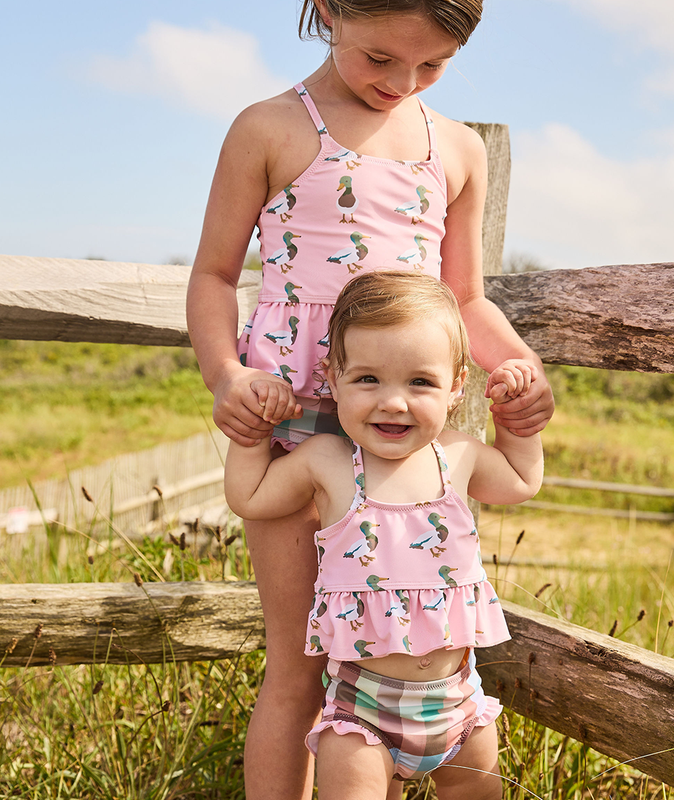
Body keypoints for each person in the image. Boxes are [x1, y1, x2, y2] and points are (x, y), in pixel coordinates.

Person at [186, 2, 554, 797]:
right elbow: (214, 274)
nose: (404, 82)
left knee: (392, 640)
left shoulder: (453, 148)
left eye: (432, 66)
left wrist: (519, 369)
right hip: (291, 417)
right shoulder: (272, 128)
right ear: (327, 10)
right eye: (381, 57)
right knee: (300, 662)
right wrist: (228, 378)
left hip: (409, 426)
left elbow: (463, 296)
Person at [225, 271, 544, 799]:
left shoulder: (458, 456)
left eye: (420, 382)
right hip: (363, 714)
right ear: (332, 377)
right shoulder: (327, 462)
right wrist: (254, 430)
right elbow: (251, 497)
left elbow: (521, 478)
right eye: (368, 380)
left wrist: (515, 417)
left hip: (459, 705)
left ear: (456, 385)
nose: (393, 402)